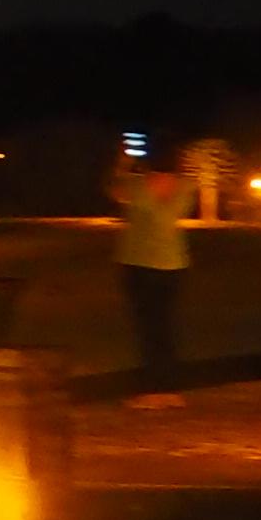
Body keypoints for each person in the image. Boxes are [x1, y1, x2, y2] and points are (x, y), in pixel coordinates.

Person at [113, 158, 193, 395]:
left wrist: (150, 192)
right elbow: (116, 191)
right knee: (146, 328)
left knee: (160, 328)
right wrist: (124, 169)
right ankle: (155, 384)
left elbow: (166, 219)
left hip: (166, 265)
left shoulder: (184, 186)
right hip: (134, 262)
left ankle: (163, 387)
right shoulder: (137, 184)